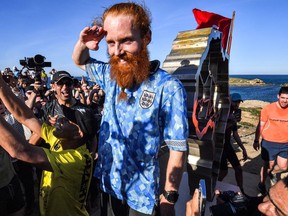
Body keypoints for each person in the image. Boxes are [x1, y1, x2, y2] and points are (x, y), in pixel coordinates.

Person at [72, 2, 188, 215]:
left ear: (146, 37)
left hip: (140, 198)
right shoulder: (111, 75)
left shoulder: (168, 88)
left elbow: (177, 148)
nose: (117, 51)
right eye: (111, 42)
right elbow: (80, 60)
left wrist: (169, 198)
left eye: (126, 40)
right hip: (108, 184)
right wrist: (82, 43)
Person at [0, 74, 94, 215]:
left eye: (67, 122)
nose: (60, 121)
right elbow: (25, 116)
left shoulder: (77, 160)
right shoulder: (62, 141)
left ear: (78, 133)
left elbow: (20, 150)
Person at [186, 176, 288, 216]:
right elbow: (250, 203)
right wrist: (234, 198)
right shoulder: (261, 204)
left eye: (278, 211)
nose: (261, 206)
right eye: (268, 196)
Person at [254, 87, 288, 186]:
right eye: (283, 97)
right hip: (269, 143)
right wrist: (256, 140)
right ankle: (262, 183)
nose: (285, 101)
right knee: (268, 165)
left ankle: (272, 173)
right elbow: (260, 125)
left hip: (285, 143)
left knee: (283, 167)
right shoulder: (268, 109)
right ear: (278, 96)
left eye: (287, 98)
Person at [218, 93, 247, 194]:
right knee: (223, 171)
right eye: (235, 102)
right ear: (230, 101)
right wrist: (232, 121)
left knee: (238, 169)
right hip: (219, 146)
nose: (237, 104)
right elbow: (218, 130)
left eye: (239, 102)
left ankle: (241, 190)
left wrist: (243, 148)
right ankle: (214, 187)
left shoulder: (234, 114)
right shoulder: (222, 112)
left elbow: (235, 134)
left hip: (227, 145)